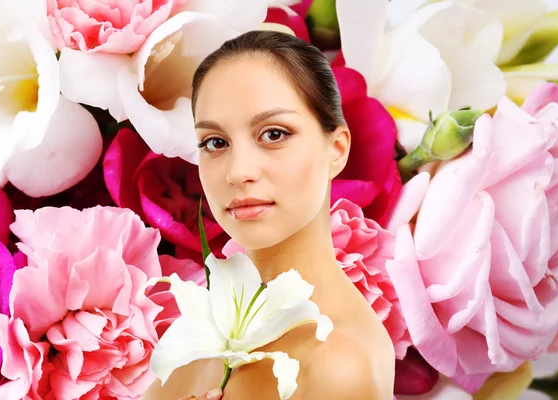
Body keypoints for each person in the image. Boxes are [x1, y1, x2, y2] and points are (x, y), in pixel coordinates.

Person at [146, 29, 396, 399]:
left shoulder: (337, 363)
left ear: (337, 149)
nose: (237, 171)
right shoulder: (196, 334)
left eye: (274, 134)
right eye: (215, 143)